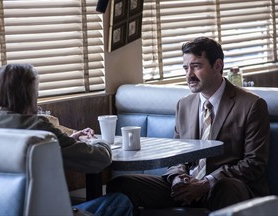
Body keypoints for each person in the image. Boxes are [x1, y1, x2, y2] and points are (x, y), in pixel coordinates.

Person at [106, 37, 270, 212]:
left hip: (222, 186)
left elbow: (254, 163)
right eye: (186, 68)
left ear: (217, 66)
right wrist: (178, 179)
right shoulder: (184, 105)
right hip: (186, 184)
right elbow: (176, 155)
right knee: (122, 184)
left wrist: (207, 183)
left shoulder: (251, 105)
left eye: (196, 66)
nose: (189, 75)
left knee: (226, 189)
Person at [0, 63, 133, 216]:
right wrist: (98, 141)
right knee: (119, 202)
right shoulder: (39, 128)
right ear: (29, 93)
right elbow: (99, 159)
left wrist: (68, 140)